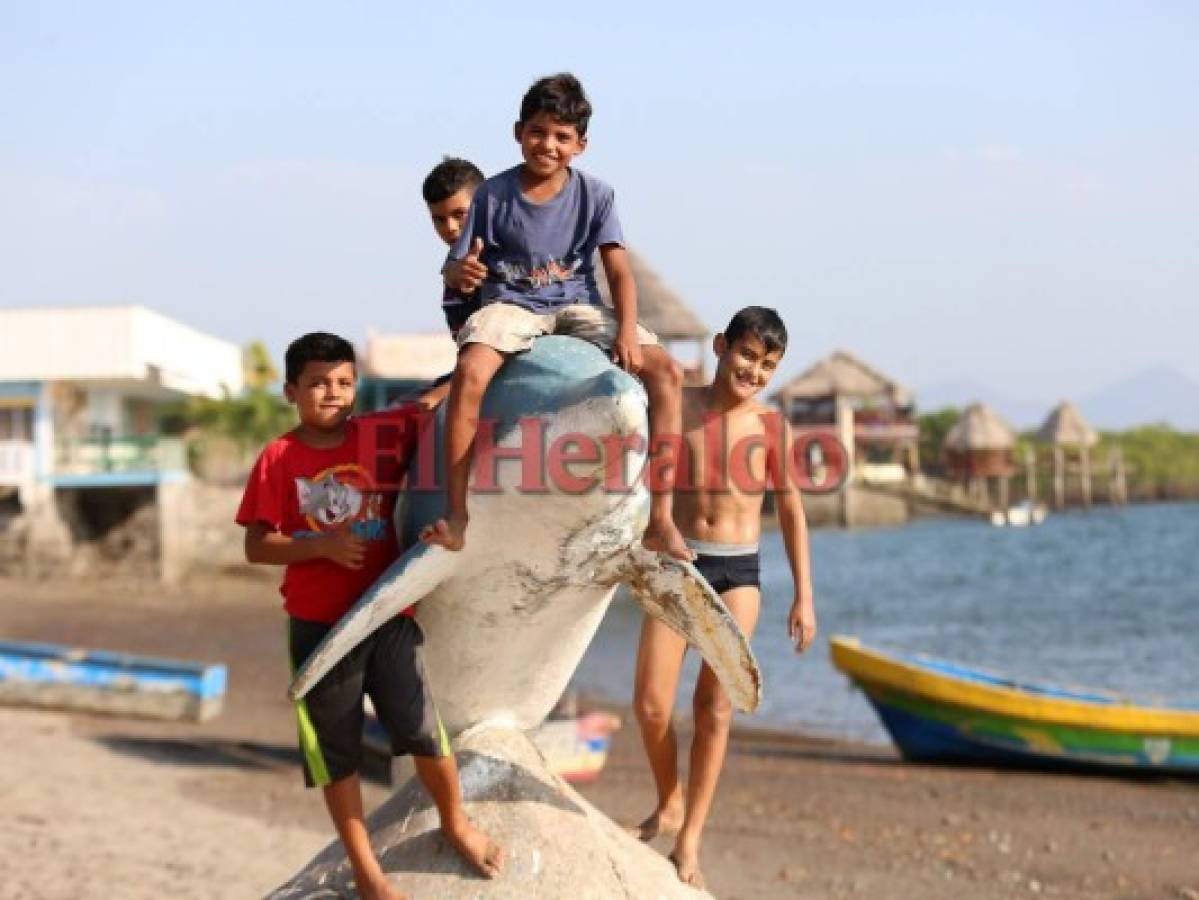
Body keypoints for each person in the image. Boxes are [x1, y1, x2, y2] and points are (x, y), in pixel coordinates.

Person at [236, 332, 503, 900]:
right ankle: (367, 870)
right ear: (290, 391)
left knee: (423, 731)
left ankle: (455, 823)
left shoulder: (382, 433)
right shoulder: (278, 458)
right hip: (320, 629)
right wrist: (320, 546)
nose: (332, 393)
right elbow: (256, 545)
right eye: (317, 384)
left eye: (343, 382)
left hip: (385, 614)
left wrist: (487, 360)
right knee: (337, 757)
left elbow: (439, 398)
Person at [419, 72, 691, 561]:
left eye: (562, 137)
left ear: (581, 145)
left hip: (577, 304)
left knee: (668, 372)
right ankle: (458, 515)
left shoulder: (597, 195)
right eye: (538, 133)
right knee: (471, 371)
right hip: (511, 304)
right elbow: (454, 266)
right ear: (518, 132)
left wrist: (628, 332)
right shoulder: (492, 195)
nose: (548, 145)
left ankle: (662, 519)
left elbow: (619, 272)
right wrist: (461, 270)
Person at [629, 307, 817, 889]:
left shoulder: (771, 426)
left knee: (714, 708)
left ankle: (690, 837)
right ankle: (670, 800)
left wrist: (804, 596)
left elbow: (791, 510)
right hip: (677, 565)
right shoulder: (676, 404)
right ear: (720, 346)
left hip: (738, 572)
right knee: (651, 704)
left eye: (768, 365)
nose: (754, 372)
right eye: (747, 355)